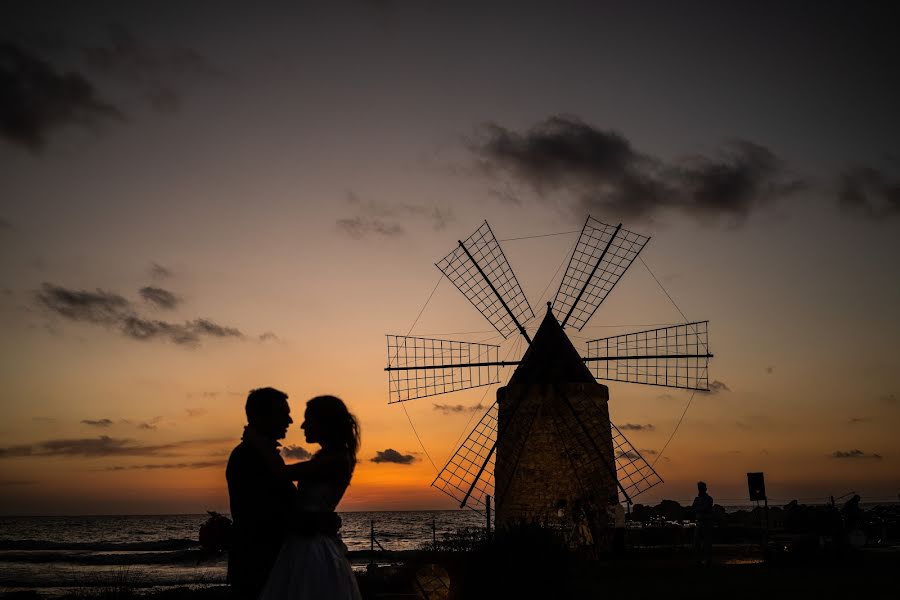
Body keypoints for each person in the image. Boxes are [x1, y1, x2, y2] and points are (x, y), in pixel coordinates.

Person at [226, 388, 341, 599]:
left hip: (272, 564)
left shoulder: (262, 455)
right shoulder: (248, 457)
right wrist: (318, 523)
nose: (289, 420)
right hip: (261, 567)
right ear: (262, 416)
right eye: (283, 413)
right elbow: (267, 515)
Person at [259, 395, 362, 600]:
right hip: (306, 541)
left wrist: (260, 443)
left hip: (311, 548)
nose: (303, 425)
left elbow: (282, 474)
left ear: (325, 423)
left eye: (309, 420)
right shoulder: (331, 458)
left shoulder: (336, 460)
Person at [691, 481, 714, 565]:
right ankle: (699, 559)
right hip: (699, 522)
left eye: (701, 488)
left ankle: (707, 559)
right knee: (697, 542)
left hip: (706, 522)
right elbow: (694, 509)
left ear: (705, 489)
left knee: (706, 542)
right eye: (699, 488)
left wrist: (697, 509)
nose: (699, 490)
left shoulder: (708, 499)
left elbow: (704, 508)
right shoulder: (698, 499)